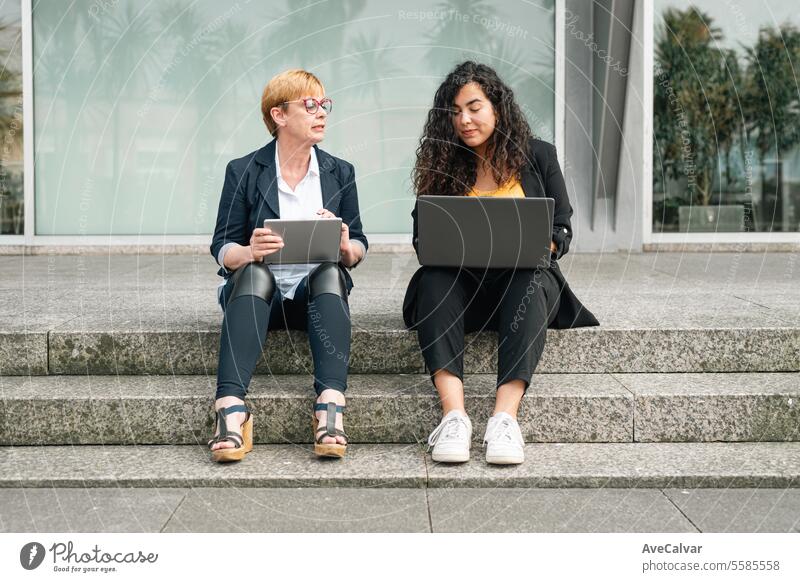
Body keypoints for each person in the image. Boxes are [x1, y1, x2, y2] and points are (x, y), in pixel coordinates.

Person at [403, 61, 598, 465]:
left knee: (529, 277)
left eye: (474, 107)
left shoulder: (539, 154)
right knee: (434, 277)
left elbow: (562, 226)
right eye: (455, 112)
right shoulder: (444, 162)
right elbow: (424, 238)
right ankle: (454, 417)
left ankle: (504, 421)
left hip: (522, 284)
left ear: (498, 107)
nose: (464, 120)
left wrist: (546, 243)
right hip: (462, 289)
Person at [208, 69, 368, 462]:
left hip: (315, 298)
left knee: (331, 271)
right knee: (253, 273)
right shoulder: (243, 170)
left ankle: (329, 406)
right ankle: (231, 410)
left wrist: (347, 246)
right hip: (258, 297)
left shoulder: (340, 171)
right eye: (310, 105)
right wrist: (248, 250)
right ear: (279, 115)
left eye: (324, 105)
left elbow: (360, 244)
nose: (322, 113)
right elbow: (221, 246)